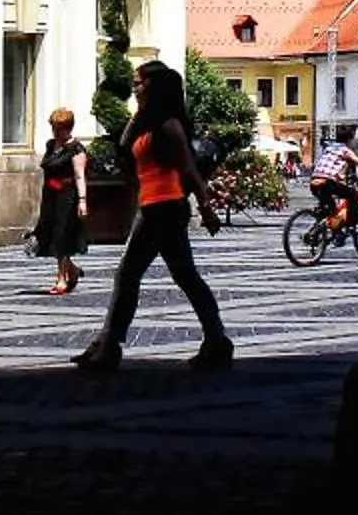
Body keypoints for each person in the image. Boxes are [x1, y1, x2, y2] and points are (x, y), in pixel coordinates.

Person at [71, 61, 234, 371]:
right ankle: (217, 341)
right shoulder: (146, 121)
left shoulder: (169, 126)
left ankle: (108, 346)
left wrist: (206, 207)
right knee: (185, 276)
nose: (135, 87)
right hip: (153, 206)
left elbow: (188, 169)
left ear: (156, 87)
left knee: (129, 275)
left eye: (140, 83)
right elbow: (126, 149)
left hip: (166, 207)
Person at [33, 107, 92, 296]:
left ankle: (61, 279)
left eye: (59, 128)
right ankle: (72, 270)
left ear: (68, 128)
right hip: (50, 195)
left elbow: (79, 176)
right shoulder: (51, 145)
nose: (56, 132)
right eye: (54, 128)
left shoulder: (76, 149)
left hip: (68, 196)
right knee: (50, 235)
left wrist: (82, 201)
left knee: (62, 236)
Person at [310, 140, 358, 231]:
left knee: (330, 210)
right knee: (353, 195)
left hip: (313, 182)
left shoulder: (328, 150)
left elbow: (330, 170)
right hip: (327, 183)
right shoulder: (345, 151)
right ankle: (350, 225)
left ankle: (321, 231)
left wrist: (339, 179)